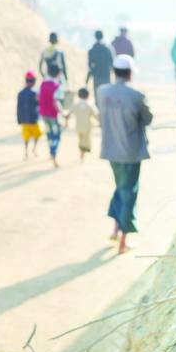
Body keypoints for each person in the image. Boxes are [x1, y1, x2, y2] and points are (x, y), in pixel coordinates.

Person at [98, 54, 153, 254]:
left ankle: (115, 227)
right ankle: (123, 240)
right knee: (129, 192)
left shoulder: (102, 92)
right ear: (130, 73)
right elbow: (148, 118)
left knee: (120, 187)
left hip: (111, 152)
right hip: (130, 153)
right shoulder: (136, 96)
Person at [39, 63, 65, 167]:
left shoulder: (43, 84)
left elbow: (38, 97)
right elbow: (56, 102)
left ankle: (51, 152)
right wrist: (63, 113)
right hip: (54, 114)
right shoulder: (57, 86)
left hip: (44, 113)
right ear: (58, 73)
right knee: (57, 135)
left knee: (49, 133)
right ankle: (53, 153)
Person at [66, 87, 99, 162]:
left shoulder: (76, 104)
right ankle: (82, 155)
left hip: (78, 126)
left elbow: (68, 114)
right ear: (88, 95)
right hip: (87, 126)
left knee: (80, 140)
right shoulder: (90, 104)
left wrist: (66, 122)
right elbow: (96, 115)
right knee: (86, 140)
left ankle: (81, 154)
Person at [16, 70, 41, 159]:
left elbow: (18, 107)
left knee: (26, 137)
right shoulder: (35, 93)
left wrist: (19, 119)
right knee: (37, 135)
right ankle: (33, 149)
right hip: (33, 119)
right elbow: (38, 105)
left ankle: (26, 152)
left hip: (24, 120)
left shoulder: (20, 93)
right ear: (33, 82)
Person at [86, 30, 113, 103]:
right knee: (106, 96)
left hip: (96, 76)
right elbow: (112, 63)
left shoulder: (92, 50)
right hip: (106, 75)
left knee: (97, 96)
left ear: (95, 37)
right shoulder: (107, 49)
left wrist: (88, 78)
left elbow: (90, 65)